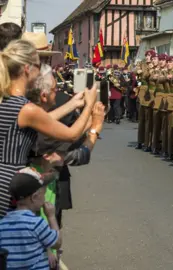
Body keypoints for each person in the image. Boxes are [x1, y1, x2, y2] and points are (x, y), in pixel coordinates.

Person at [0, 40, 97, 217]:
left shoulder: (8, 100)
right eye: (38, 65)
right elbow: (71, 134)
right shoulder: (26, 108)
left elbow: (43, 120)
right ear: (28, 69)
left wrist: (73, 103)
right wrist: (90, 106)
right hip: (10, 184)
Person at [0, 168, 61, 269]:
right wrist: (51, 217)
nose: (44, 198)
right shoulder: (36, 224)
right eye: (43, 194)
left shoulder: (2, 224)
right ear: (34, 197)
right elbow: (57, 243)